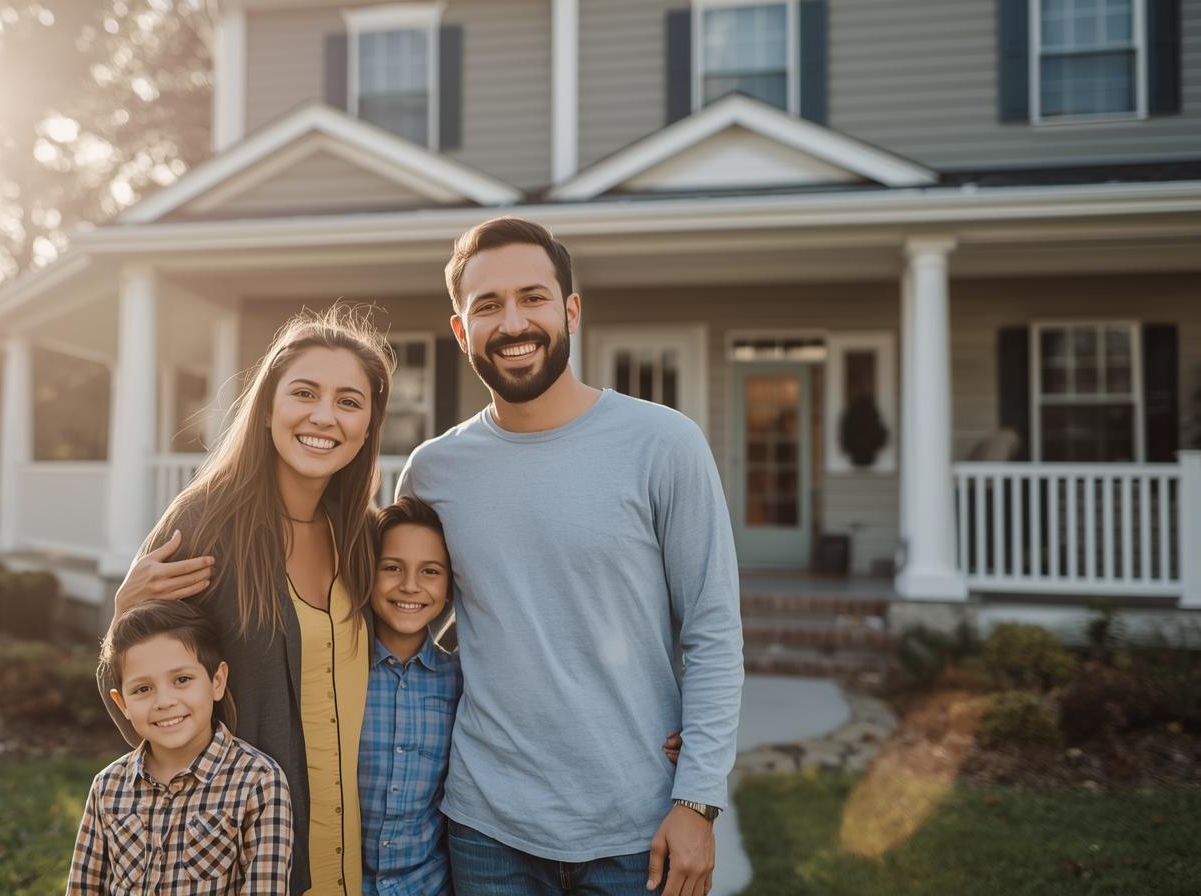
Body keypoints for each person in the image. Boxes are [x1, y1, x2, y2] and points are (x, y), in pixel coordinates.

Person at [397, 216, 744, 896]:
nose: (513, 322)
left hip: (636, 829)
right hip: (485, 827)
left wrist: (697, 800)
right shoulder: (433, 472)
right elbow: (405, 621)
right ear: (462, 331)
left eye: (533, 297)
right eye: (487, 305)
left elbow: (713, 629)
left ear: (571, 311)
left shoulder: (663, 444)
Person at [103, 306, 394, 896]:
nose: (323, 416)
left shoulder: (362, 535)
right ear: (267, 409)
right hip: (249, 867)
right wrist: (121, 620)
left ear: (368, 424)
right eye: (305, 393)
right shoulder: (206, 522)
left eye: (348, 401)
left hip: (359, 865)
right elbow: (139, 690)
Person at [68, 600, 293, 894]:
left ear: (217, 681)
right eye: (143, 689)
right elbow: (83, 888)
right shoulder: (107, 788)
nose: (164, 701)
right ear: (122, 704)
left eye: (182, 680)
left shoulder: (258, 782)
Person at [358, 496, 461, 896]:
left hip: (427, 885)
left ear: (450, 587)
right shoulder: (334, 675)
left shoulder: (460, 682)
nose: (410, 586)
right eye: (392, 568)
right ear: (368, 573)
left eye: (430, 571)